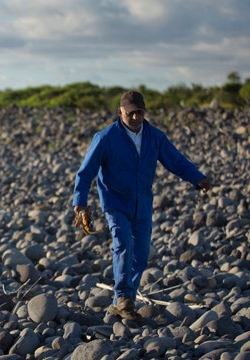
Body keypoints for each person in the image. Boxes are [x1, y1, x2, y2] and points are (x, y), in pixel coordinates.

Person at [73, 90, 212, 322]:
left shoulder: (154, 136)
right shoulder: (105, 138)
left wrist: (197, 178)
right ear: (120, 112)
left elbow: (175, 161)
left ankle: (126, 299)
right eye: (131, 113)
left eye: (140, 113)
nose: (136, 118)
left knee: (141, 254)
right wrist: (80, 201)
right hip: (115, 201)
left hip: (143, 203)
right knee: (123, 244)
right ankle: (124, 297)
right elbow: (86, 171)